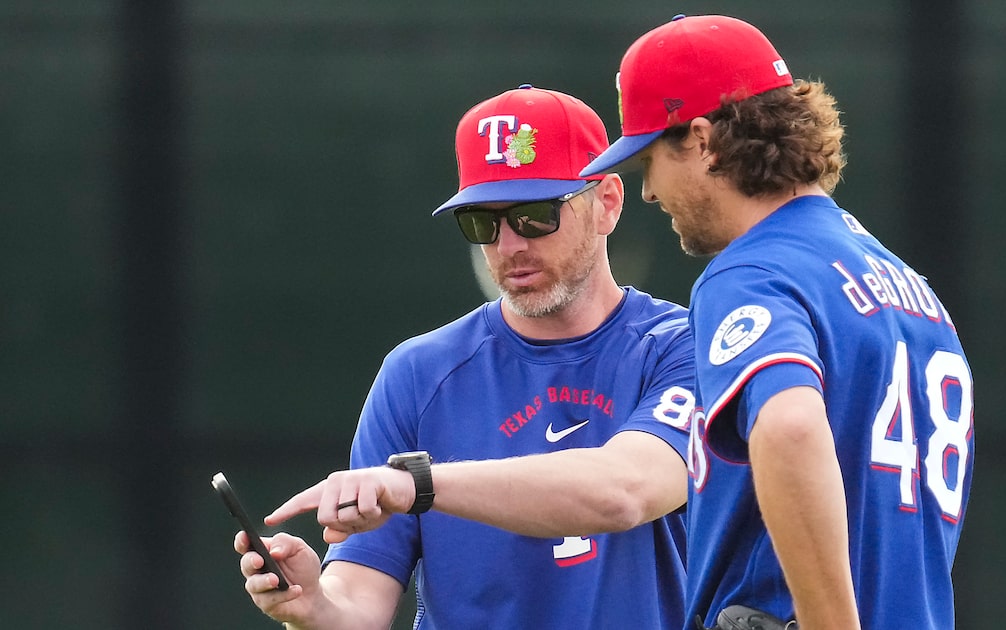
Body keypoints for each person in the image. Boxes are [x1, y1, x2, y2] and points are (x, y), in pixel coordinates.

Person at [233, 84, 695, 630]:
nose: (509, 246)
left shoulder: (681, 346)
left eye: (534, 214)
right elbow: (360, 602)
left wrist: (415, 485)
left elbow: (626, 491)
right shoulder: (417, 373)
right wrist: (313, 606)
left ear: (608, 203)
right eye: (482, 222)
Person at [581, 14, 975, 630]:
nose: (651, 192)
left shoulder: (752, 272)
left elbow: (789, 427)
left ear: (704, 140)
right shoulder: (912, 291)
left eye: (652, 158)